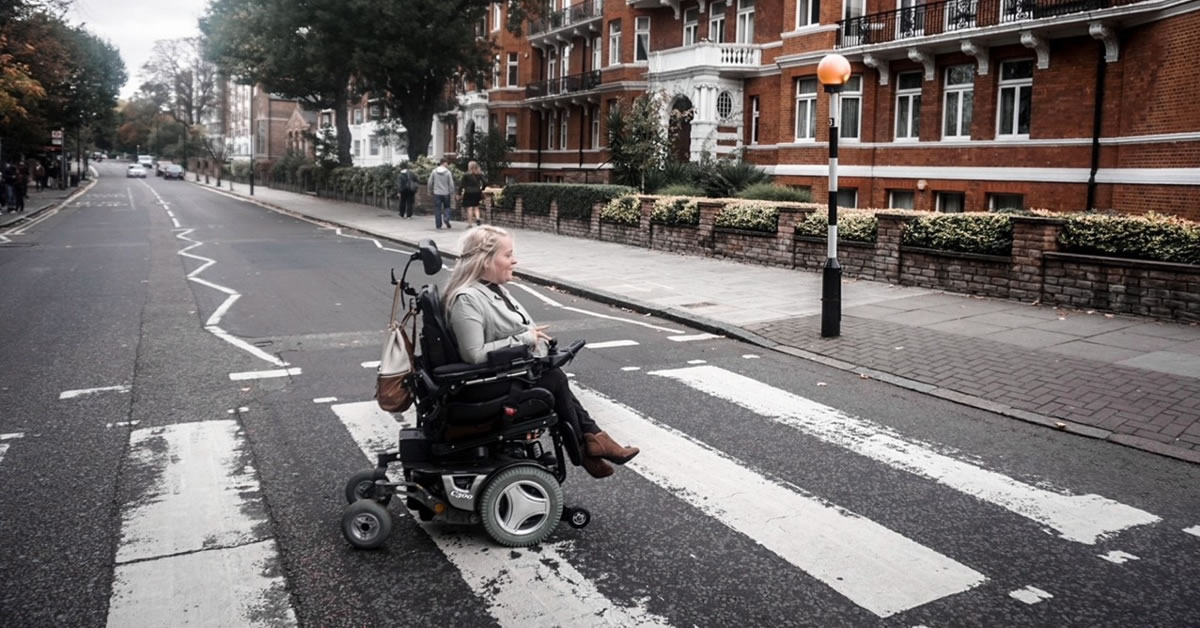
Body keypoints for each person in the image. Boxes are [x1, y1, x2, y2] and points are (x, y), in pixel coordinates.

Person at [445, 225, 640, 478]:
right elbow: (473, 354)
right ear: (485, 261)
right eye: (507, 255)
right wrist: (525, 338)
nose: (514, 260)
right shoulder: (467, 298)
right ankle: (588, 448)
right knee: (554, 379)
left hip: (503, 376)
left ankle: (591, 444)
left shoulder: (494, 290)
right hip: (482, 387)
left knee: (554, 376)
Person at [427, 157, 456, 229]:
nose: (447, 164)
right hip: (446, 193)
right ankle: (446, 218)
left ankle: (438, 224)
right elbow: (451, 184)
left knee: (437, 209)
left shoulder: (434, 171)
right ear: (444, 163)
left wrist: (429, 190)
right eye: (447, 163)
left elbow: (430, 182)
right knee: (447, 207)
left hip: (437, 193)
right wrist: (452, 191)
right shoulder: (448, 172)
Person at [460, 161, 485, 226]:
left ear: (469, 166)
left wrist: (459, 192)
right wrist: (482, 189)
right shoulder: (479, 174)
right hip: (477, 192)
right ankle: (478, 218)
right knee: (476, 207)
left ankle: (470, 224)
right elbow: (485, 182)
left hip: (468, 192)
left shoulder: (466, 175)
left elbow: (462, 185)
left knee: (470, 208)